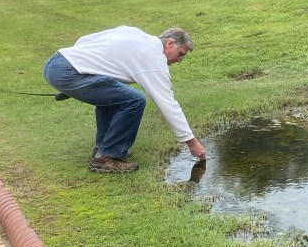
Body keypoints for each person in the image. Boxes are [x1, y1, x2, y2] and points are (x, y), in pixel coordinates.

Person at [44, 25, 207, 173]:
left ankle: (103, 148)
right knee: (134, 100)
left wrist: (83, 68)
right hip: (67, 72)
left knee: (116, 96)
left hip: (57, 61)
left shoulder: (134, 33)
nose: (179, 60)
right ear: (170, 43)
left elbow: (85, 40)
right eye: (180, 54)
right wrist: (191, 142)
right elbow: (167, 103)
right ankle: (108, 157)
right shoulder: (152, 57)